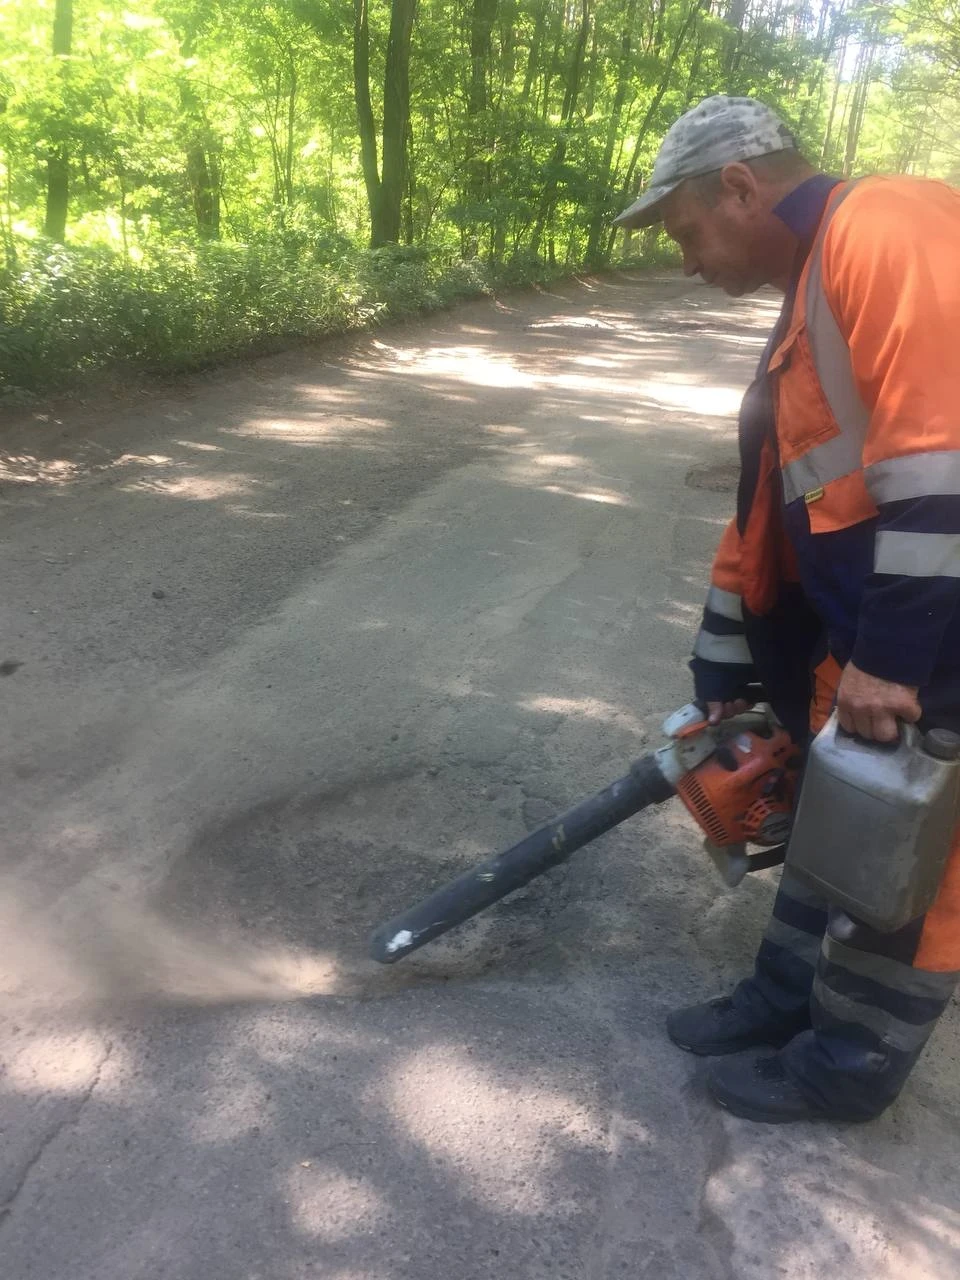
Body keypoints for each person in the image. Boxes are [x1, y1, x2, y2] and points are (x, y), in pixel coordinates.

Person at [614, 95, 960, 1123]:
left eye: (684, 231)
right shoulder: (808, 288)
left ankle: (844, 1066)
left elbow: (943, 464)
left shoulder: (888, 226)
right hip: (866, 642)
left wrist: (894, 661)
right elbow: (779, 497)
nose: (685, 260)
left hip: (932, 646)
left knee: (907, 875)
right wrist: (724, 666)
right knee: (832, 830)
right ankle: (780, 1003)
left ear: (739, 185)